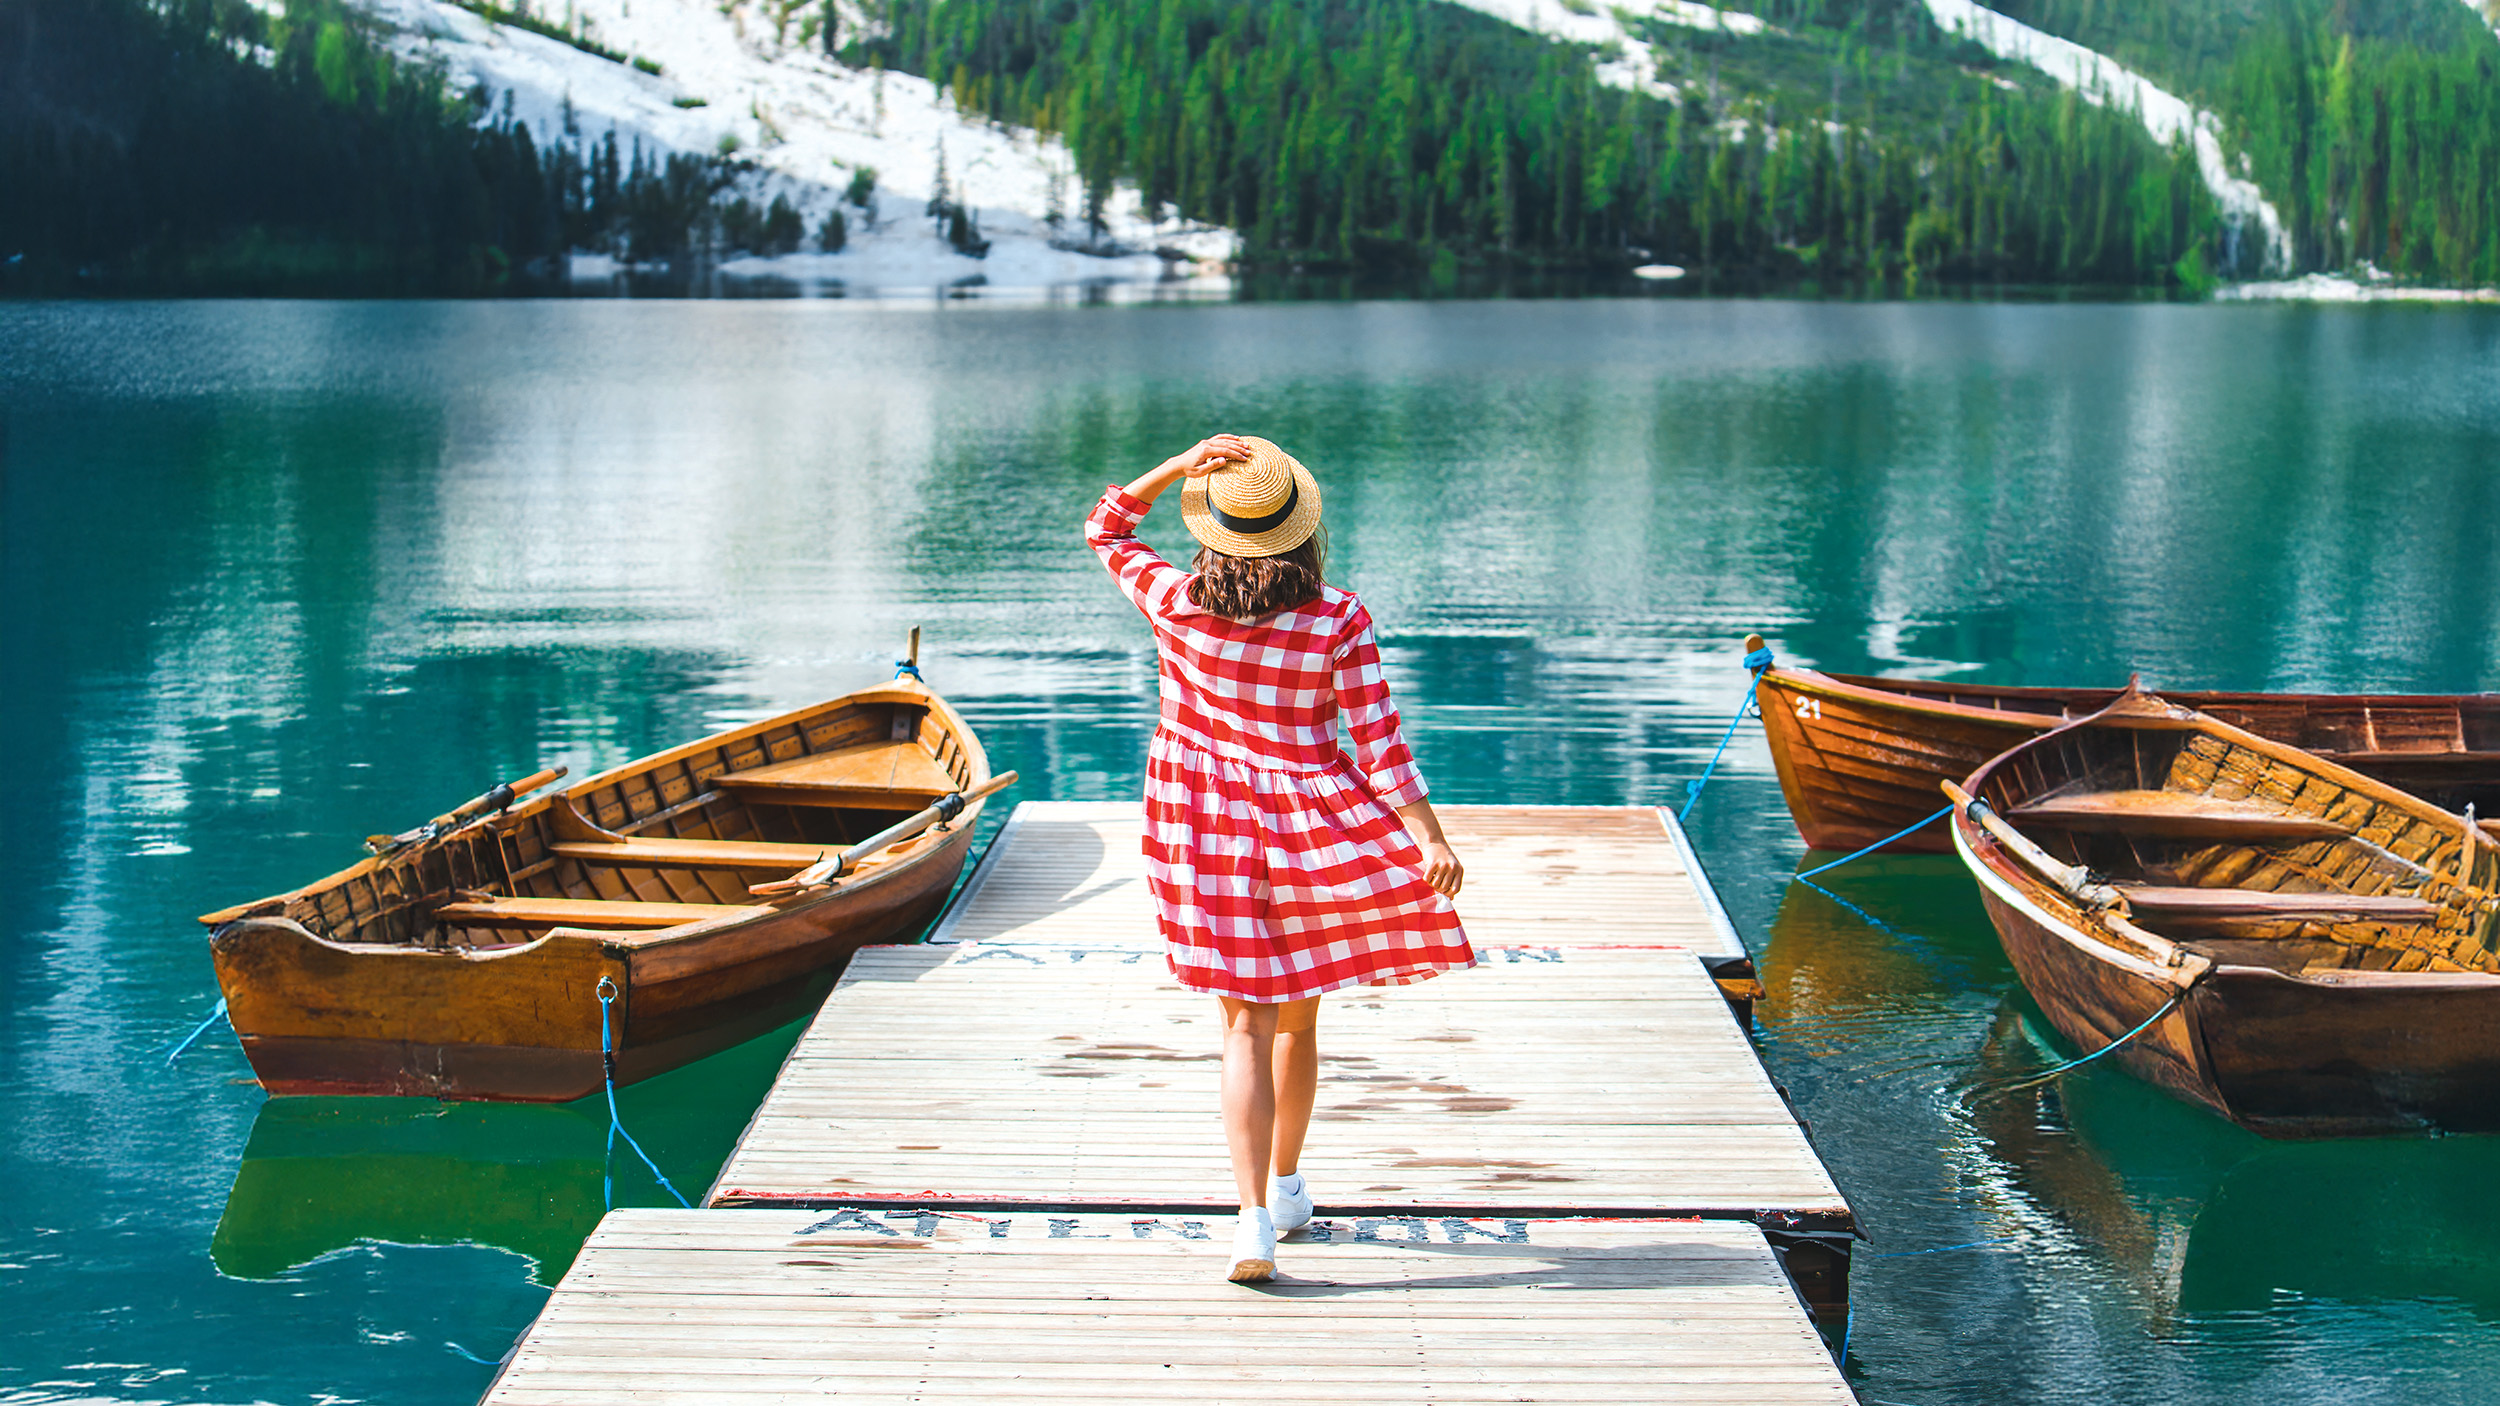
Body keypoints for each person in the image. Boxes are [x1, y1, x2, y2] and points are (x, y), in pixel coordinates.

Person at [1085, 433, 1474, 1283]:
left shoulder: (1173, 600)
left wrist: (1177, 464)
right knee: (1297, 1018)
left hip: (1201, 826)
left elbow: (1107, 530)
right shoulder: (1339, 616)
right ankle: (1288, 1184)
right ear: (1299, 527)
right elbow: (1377, 739)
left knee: (1242, 1025)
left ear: (1213, 525)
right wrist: (1428, 835)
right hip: (1311, 825)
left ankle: (1251, 1220)